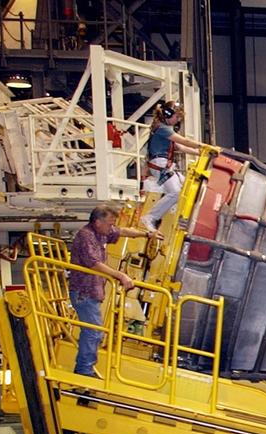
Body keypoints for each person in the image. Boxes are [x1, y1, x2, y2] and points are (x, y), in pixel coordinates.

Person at [68, 204, 158, 377]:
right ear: (97, 222)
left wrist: (147, 234)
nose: (112, 227)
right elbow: (94, 263)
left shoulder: (101, 233)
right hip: (83, 291)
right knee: (94, 331)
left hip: (92, 292)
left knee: (94, 330)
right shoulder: (85, 236)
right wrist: (121, 276)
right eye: (110, 223)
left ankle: (84, 367)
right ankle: (83, 370)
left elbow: (122, 231)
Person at [141, 101, 203, 232]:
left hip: (165, 165)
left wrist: (201, 153)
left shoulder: (164, 130)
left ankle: (178, 216)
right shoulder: (163, 129)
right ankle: (150, 217)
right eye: (177, 117)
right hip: (160, 165)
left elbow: (181, 147)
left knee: (186, 187)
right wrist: (203, 147)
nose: (178, 120)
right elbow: (184, 141)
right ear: (168, 114)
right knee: (175, 192)